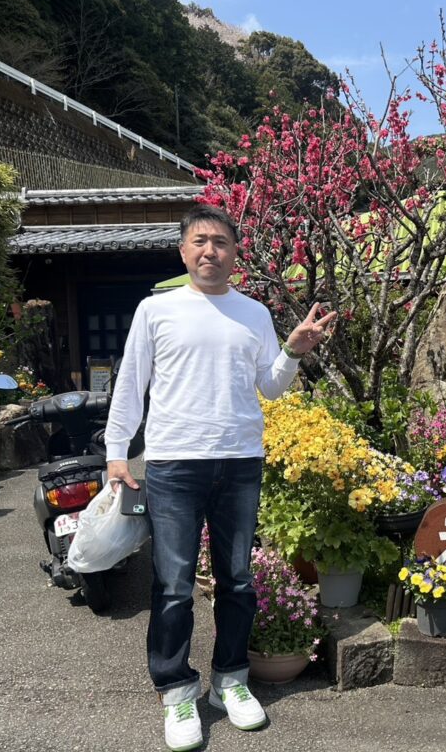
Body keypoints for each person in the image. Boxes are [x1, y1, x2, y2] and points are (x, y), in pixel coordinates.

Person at [105, 204, 335, 752]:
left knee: (237, 580)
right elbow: (131, 382)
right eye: (200, 241)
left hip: (239, 463)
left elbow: (271, 387)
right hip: (173, 464)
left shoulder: (253, 312)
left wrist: (292, 351)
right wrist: (117, 453)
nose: (211, 250)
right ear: (183, 251)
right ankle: (176, 689)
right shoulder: (155, 310)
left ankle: (229, 680)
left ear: (235, 253)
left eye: (222, 242)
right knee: (173, 585)